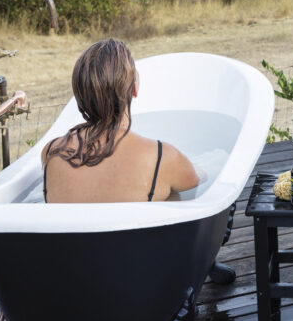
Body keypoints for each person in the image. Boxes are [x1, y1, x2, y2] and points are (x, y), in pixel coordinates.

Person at [42, 39, 198, 203]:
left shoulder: (52, 153)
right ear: (134, 88)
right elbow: (199, 189)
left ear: (79, 94)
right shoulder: (163, 157)